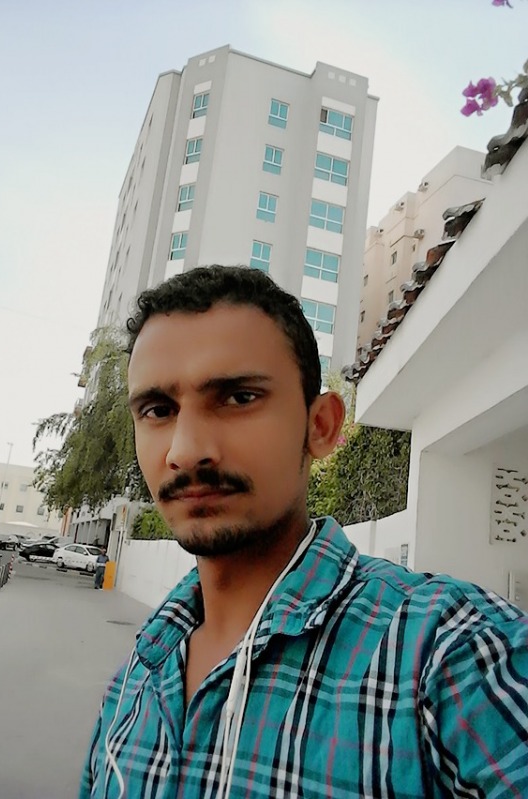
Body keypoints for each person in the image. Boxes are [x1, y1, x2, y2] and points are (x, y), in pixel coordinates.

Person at [80, 266, 528, 798]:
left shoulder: (453, 657)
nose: (185, 450)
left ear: (321, 426)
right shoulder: (136, 677)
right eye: (158, 410)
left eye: (238, 398)